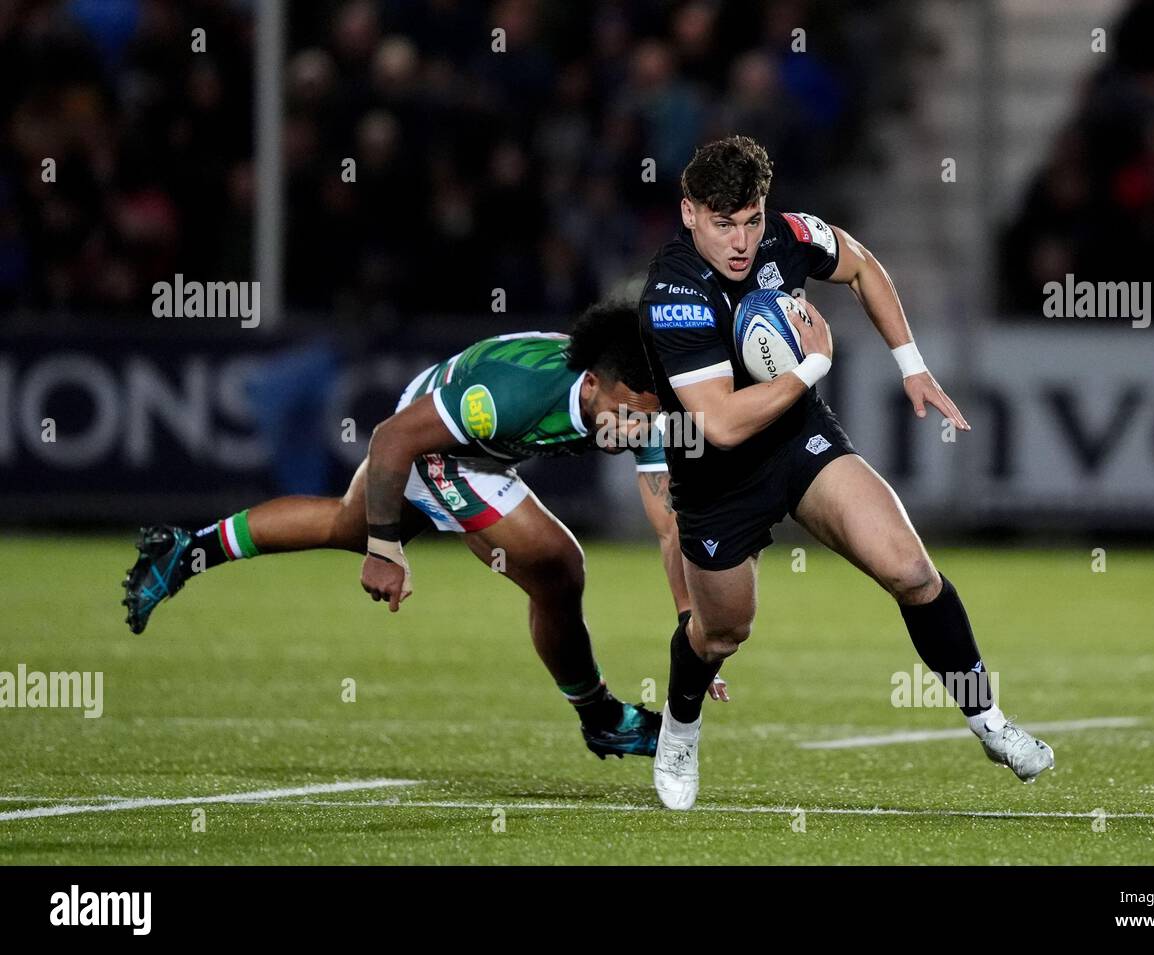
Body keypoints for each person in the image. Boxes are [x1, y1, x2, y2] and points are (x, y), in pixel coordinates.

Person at [638, 135, 1053, 809]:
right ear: (689, 214)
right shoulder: (673, 291)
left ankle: (991, 723)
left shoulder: (790, 235)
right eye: (722, 223)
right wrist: (810, 368)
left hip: (796, 438)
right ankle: (680, 727)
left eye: (750, 220)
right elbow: (717, 422)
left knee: (912, 571)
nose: (741, 241)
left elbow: (861, 266)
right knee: (723, 632)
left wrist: (910, 362)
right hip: (715, 476)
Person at [122, 302, 727, 760]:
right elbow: (392, 439)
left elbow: (670, 524)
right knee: (558, 567)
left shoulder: (646, 406)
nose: (631, 430)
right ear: (591, 384)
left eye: (643, 419)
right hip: (440, 436)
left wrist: (691, 626)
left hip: (481, 442)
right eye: (625, 415)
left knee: (344, 523)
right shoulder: (506, 397)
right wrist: (386, 551)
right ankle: (600, 717)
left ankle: (187, 549)